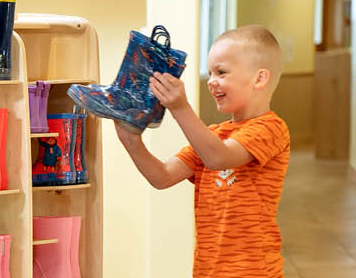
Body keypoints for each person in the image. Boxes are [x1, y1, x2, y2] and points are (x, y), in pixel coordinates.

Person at [114, 25, 290, 277]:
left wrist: (179, 107)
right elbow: (162, 176)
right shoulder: (214, 135)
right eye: (210, 73)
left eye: (222, 72)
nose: (212, 81)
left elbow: (219, 158)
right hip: (208, 271)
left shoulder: (271, 128)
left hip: (253, 271)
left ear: (259, 78)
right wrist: (131, 139)